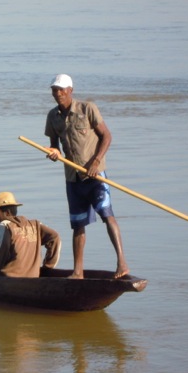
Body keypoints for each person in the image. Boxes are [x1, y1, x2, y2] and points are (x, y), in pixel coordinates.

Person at [44, 74, 129, 279]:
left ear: (70, 90)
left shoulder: (87, 109)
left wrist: (96, 162)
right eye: (55, 90)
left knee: (107, 215)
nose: (58, 94)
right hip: (73, 178)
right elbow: (55, 146)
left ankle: (122, 264)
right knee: (78, 224)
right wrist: (54, 153)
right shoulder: (52, 116)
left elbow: (106, 136)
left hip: (96, 176)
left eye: (62, 90)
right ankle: (78, 272)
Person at [0, 191, 61, 279]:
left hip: (10, 278)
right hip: (33, 277)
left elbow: (1, 254)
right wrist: (48, 266)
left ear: (7, 212)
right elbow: (55, 237)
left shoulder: (5, 225)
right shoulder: (35, 225)